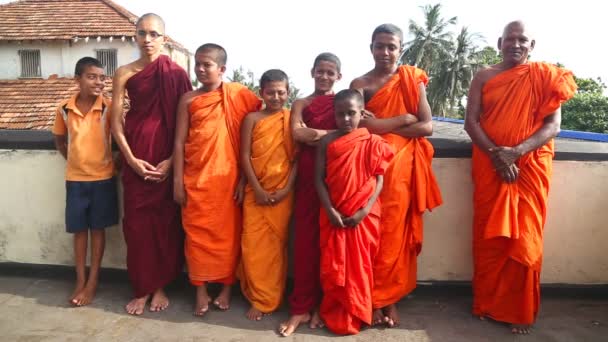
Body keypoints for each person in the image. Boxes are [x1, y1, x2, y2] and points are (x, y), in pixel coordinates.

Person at [464, 20, 577, 334]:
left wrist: (515, 152)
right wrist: (497, 156)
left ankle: (518, 310)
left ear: (532, 45)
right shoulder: (484, 76)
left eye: (522, 40)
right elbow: (471, 123)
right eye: (510, 39)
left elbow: (552, 126)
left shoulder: (546, 76)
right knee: (491, 238)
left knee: (525, 237)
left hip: (530, 167)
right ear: (500, 42)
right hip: (490, 166)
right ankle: (487, 303)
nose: (515, 44)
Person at [350, 23, 442, 327]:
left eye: (392, 46)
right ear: (371, 47)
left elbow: (427, 126)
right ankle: (370, 299)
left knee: (394, 235)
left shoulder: (411, 80)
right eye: (380, 45)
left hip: (402, 169)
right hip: (369, 165)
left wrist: (384, 123)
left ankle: (388, 300)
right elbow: (359, 127)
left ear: (400, 49)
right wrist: (403, 119)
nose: (385, 52)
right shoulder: (360, 83)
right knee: (370, 234)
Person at [111, 13, 192, 315]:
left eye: (154, 34)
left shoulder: (176, 73)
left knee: (166, 225)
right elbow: (115, 123)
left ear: (163, 38)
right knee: (137, 227)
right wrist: (130, 159)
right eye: (142, 33)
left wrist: (173, 160)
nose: (148, 39)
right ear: (135, 36)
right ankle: (142, 287)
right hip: (136, 162)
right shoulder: (124, 73)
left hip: (167, 160)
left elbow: (187, 123)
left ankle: (160, 287)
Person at [173, 43, 261, 317]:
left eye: (207, 64)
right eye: (197, 64)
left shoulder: (239, 96)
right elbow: (179, 142)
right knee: (196, 236)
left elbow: (264, 121)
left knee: (229, 236)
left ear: (222, 69)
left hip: (228, 179)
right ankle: (200, 289)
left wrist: (245, 180)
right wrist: (177, 180)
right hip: (196, 178)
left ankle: (225, 287)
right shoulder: (188, 99)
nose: (200, 69)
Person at [315, 89, 394, 335]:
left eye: (351, 113)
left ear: (362, 113)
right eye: (341, 114)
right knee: (333, 266)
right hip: (333, 213)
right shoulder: (327, 142)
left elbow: (379, 180)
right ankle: (335, 309)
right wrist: (329, 210)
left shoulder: (373, 143)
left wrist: (364, 210)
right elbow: (318, 179)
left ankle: (361, 309)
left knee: (363, 264)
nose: (346, 119)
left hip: (364, 215)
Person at [279, 53, 342, 337]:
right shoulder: (302, 103)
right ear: (312, 72)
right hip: (306, 178)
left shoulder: (344, 101)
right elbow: (297, 134)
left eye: (331, 73)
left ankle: (324, 305)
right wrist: (332, 132)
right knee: (305, 244)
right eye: (320, 72)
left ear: (339, 76)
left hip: (336, 177)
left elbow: (350, 131)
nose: (325, 77)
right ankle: (301, 307)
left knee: (331, 244)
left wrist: (315, 133)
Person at [52, 57, 118, 307]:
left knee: (97, 231)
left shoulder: (109, 108)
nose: (99, 82)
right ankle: (79, 279)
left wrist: (113, 167)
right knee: (79, 231)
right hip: (75, 180)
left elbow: (120, 142)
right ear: (77, 79)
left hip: (103, 180)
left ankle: (93, 281)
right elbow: (60, 141)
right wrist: (74, 162)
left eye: (102, 77)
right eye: (92, 77)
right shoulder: (63, 109)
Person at [238, 69, 297, 321]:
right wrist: (258, 189)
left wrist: (286, 189)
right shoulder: (252, 119)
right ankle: (257, 296)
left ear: (288, 92)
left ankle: (269, 297)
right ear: (261, 93)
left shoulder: (291, 118)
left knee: (275, 248)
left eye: (281, 92)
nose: (276, 97)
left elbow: (296, 159)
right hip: (256, 192)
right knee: (253, 246)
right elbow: (243, 156)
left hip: (284, 192)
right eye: (270, 92)